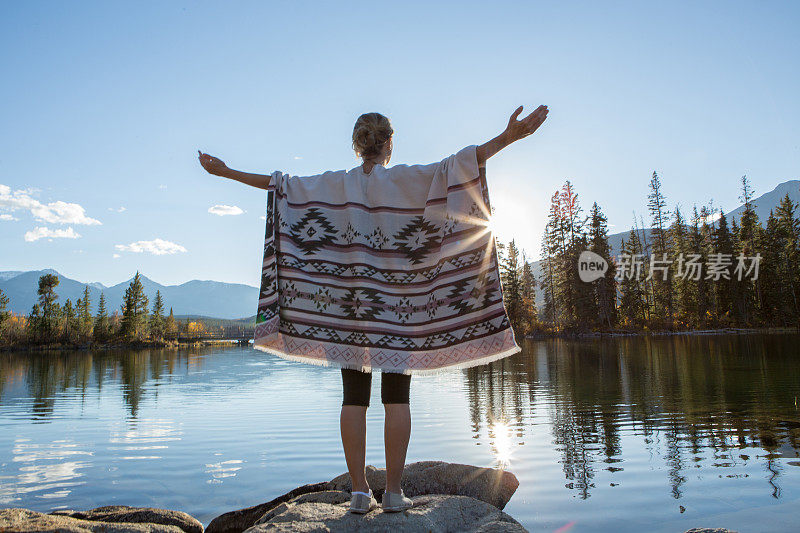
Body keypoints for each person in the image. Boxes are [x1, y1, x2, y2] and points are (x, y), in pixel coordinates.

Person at [198, 104, 549, 513]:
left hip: (350, 310)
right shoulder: (407, 178)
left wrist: (225, 172)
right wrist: (509, 137)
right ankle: (395, 492)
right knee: (397, 398)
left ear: (357, 144)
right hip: (398, 309)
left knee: (353, 399)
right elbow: (461, 166)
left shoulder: (334, 185)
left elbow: (280, 187)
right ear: (389, 143)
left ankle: (360, 493)